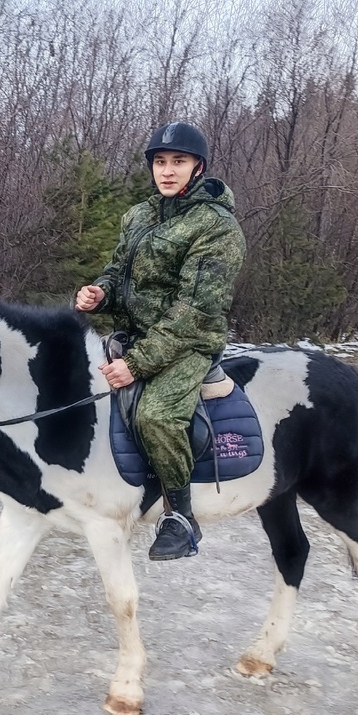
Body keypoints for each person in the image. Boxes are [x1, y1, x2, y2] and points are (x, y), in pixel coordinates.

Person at [75, 121, 246, 560]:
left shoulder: (217, 227)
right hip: (135, 334)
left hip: (188, 342)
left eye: (179, 162)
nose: (167, 171)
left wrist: (137, 364)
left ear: (198, 167)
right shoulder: (140, 215)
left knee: (156, 415)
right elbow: (118, 270)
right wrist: (101, 292)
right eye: (160, 162)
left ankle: (180, 517)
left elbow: (195, 311)